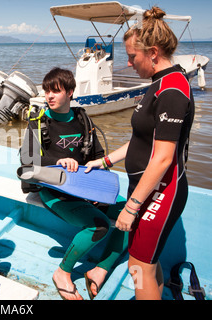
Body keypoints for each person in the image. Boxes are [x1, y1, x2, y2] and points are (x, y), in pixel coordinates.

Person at [85, 6, 195, 300]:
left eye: (133, 57)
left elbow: (162, 158)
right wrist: (104, 161)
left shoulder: (171, 90)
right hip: (146, 189)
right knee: (147, 262)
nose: (130, 64)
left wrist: (131, 207)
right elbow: (142, 139)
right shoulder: (158, 84)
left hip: (161, 191)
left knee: (137, 267)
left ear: (153, 53)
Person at [20, 68, 127, 300]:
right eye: (47, 91)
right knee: (98, 225)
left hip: (85, 188)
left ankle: (100, 270)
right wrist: (57, 161)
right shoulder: (38, 122)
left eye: (55, 91)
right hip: (54, 190)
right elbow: (26, 161)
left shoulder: (83, 120)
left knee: (131, 214)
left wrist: (99, 188)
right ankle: (62, 273)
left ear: (70, 92)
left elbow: (97, 156)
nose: (49, 96)